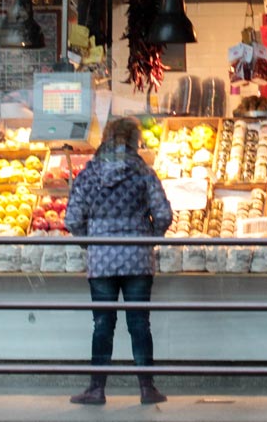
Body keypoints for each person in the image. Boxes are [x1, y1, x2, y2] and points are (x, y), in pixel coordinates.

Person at [65, 116, 173, 406]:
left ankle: (96, 389)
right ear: (134, 140)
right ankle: (147, 388)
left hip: (101, 258)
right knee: (139, 323)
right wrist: (150, 235)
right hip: (137, 256)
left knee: (102, 323)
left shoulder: (88, 175)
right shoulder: (144, 174)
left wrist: (91, 239)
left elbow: (73, 218)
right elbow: (163, 214)